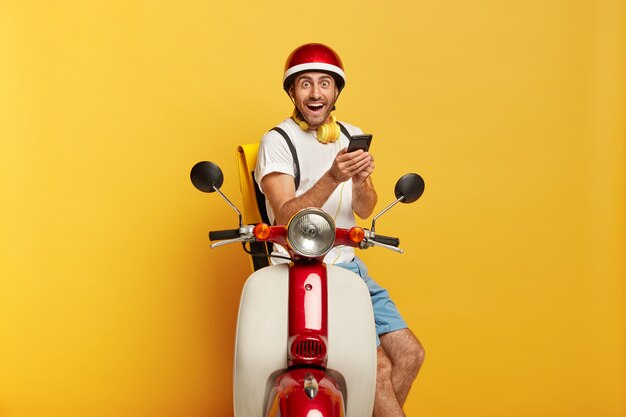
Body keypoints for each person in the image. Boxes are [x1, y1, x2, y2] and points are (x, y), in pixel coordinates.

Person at [254, 43, 425, 417]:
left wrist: (361, 180)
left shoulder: (350, 134)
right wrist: (333, 176)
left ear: (336, 93)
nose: (316, 93)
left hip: (349, 268)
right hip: (303, 270)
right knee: (377, 368)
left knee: (411, 354)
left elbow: (364, 210)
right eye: (305, 84)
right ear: (292, 92)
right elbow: (284, 216)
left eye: (325, 84)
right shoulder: (277, 142)